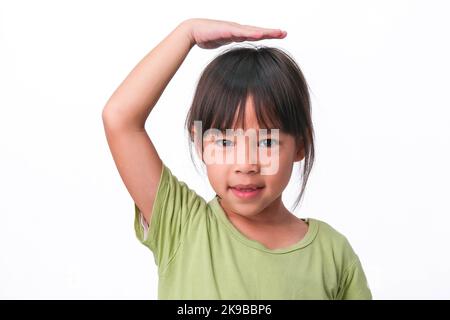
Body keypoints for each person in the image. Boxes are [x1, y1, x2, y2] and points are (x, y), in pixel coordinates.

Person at [102, 18, 372, 300]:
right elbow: (119, 118)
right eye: (225, 142)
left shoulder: (332, 255)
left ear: (300, 145)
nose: (245, 164)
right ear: (199, 143)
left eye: (267, 142)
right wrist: (187, 33)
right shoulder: (182, 226)